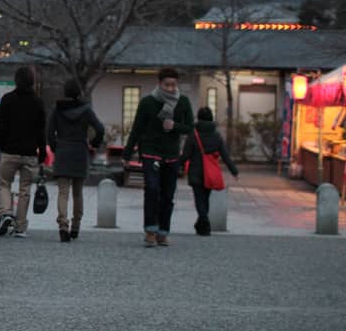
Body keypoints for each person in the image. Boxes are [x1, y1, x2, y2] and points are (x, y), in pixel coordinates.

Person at [122, 68, 194, 247]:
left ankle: (163, 231)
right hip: (150, 151)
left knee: (168, 195)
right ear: (159, 84)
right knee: (152, 189)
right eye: (166, 84)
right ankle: (150, 230)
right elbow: (137, 128)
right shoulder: (148, 102)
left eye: (173, 85)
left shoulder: (183, 102)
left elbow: (190, 127)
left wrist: (175, 126)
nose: (170, 88)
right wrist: (127, 152)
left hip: (171, 154)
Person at [47, 79, 105, 242]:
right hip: (80, 151)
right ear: (79, 93)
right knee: (78, 193)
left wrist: (55, 147)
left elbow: (50, 132)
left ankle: (63, 224)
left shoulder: (57, 109)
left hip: (63, 151)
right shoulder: (86, 110)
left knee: (63, 192)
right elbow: (100, 128)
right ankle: (76, 227)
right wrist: (94, 143)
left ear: (65, 92)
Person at [0, 66, 46, 238]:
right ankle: (21, 227)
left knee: (4, 184)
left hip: (9, 151)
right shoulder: (38, 102)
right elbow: (41, 130)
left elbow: (0, 126)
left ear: (16, 80)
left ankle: (6, 212)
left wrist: (1, 145)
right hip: (30, 153)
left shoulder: (7, 99)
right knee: (25, 189)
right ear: (32, 81)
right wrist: (42, 152)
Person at [180, 107, 238, 236]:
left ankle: (204, 223)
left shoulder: (193, 135)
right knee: (205, 199)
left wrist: (174, 165)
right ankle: (201, 225)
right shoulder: (216, 136)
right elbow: (225, 155)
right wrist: (234, 171)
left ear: (198, 118)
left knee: (199, 199)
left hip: (195, 172)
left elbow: (186, 155)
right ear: (211, 118)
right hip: (210, 173)